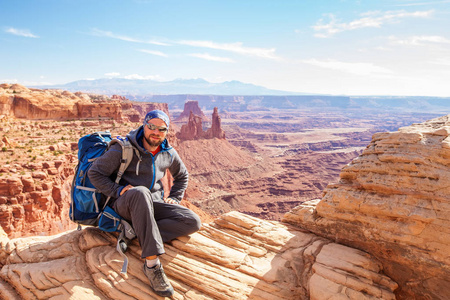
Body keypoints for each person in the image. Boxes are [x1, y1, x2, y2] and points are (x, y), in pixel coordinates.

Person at [88, 109, 202, 297]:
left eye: (161, 129)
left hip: (152, 205)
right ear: (144, 125)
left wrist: (175, 197)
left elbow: (182, 176)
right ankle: (152, 265)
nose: (155, 132)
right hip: (124, 204)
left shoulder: (168, 153)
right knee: (140, 192)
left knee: (192, 221)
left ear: (166, 132)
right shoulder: (123, 148)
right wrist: (117, 190)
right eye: (151, 127)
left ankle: (134, 233)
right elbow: (95, 173)